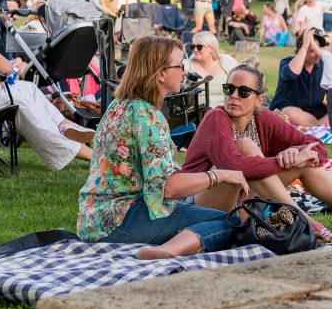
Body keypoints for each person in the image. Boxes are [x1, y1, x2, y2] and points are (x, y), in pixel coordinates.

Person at [78, 35, 249, 259]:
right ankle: (167, 251)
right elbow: (168, 188)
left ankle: (173, 245)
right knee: (232, 222)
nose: (184, 72)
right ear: (160, 74)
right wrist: (219, 176)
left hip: (92, 219)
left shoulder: (118, 105)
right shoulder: (147, 116)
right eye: (179, 66)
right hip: (121, 220)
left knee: (202, 215)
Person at [183, 64, 332, 244]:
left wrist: (296, 152)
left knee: (306, 164)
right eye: (229, 89)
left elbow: (318, 147)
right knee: (246, 146)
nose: (233, 96)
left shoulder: (263, 118)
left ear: (259, 99)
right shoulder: (216, 118)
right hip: (198, 204)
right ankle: (309, 224)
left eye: (243, 91)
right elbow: (232, 166)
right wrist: (280, 160)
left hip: (243, 202)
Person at [0, 6, 93, 169]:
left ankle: (63, 124)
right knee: (24, 103)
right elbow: (5, 68)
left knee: (29, 89)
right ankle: (82, 151)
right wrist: (17, 64)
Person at [269, 30, 332, 126]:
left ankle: (317, 126)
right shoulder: (287, 62)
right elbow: (292, 74)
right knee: (290, 113)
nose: (317, 54)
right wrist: (305, 46)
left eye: (319, 49)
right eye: (312, 50)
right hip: (288, 109)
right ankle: (320, 125)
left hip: (316, 111)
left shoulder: (325, 66)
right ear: (300, 50)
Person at [185, 31, 239, 108]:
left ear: (211, 48)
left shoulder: (227, 61)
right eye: (193, 47)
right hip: (198, 113)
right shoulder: (187, 65)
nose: (195, 50)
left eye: (199, 47)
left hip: (228, 109)